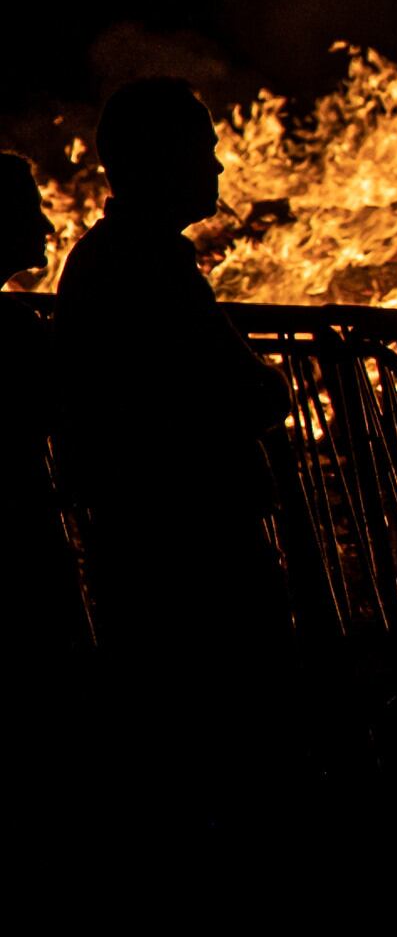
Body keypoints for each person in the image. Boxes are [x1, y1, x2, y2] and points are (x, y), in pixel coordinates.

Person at [49, 79, 294, 819]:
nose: (218, 171)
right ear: (164, 159)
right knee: (218, 748)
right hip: (188, 548)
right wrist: (269, 386)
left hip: (148, 540)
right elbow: (236, 391)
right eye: (206, 151)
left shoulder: (115, 258)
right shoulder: (145, 266)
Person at [6, 154, 90, 668]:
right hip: (19, 543)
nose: (45, 224)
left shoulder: (17, 324)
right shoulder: (9, 332)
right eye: (27, 209)